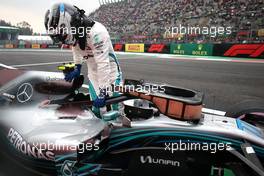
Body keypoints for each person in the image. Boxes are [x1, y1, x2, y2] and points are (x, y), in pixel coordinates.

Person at [44, 3, 122, 118]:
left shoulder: (97, 33)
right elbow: (75, 48)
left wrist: (104, 90)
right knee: (97, 111)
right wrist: (77, 67)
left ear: (70, 24)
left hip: (110, 72)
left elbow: (103, 64)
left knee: (117, 107)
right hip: (93, 74)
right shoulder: (77, 33)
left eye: (62, 35)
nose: (62, 39)